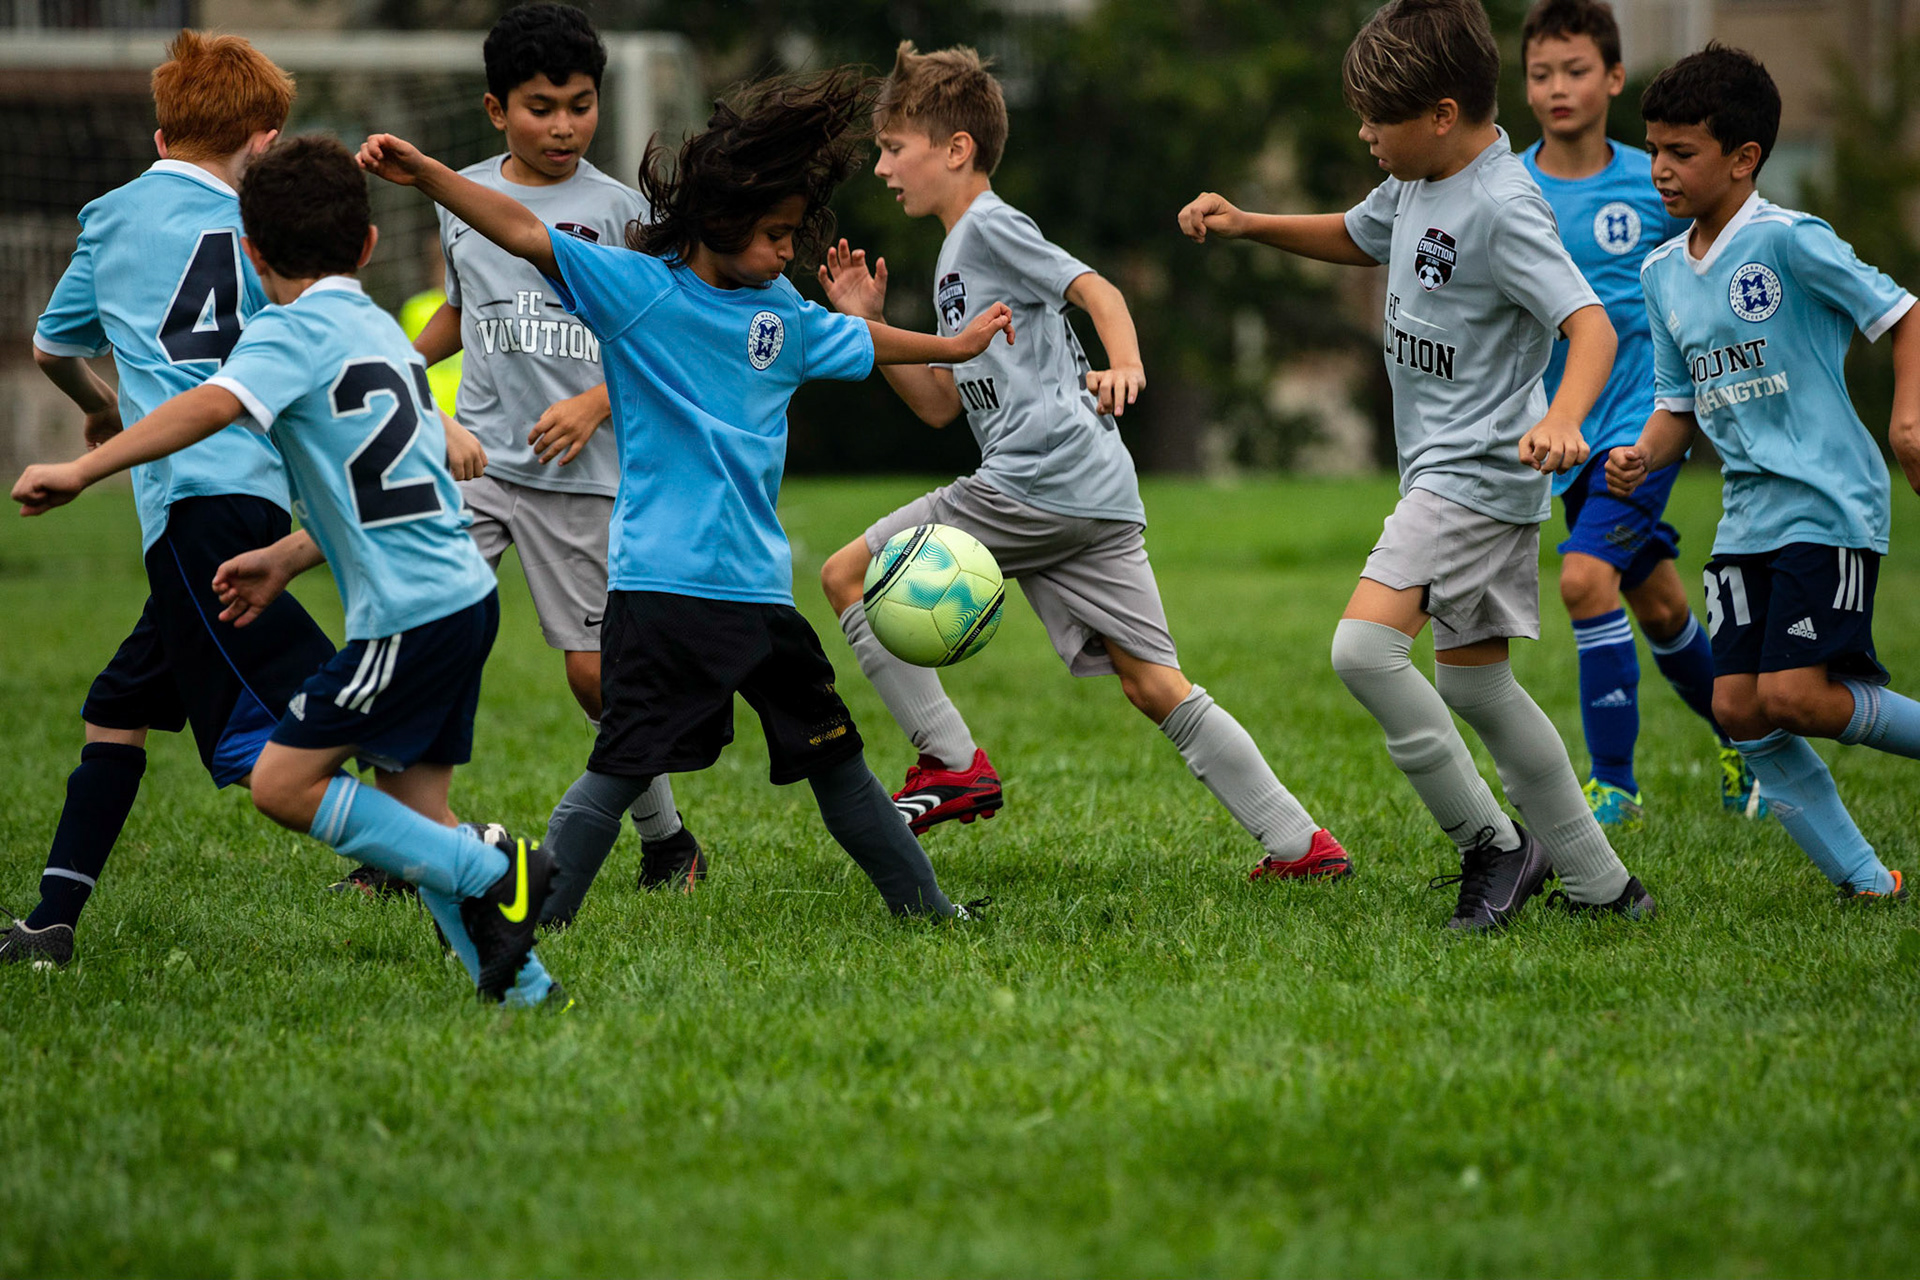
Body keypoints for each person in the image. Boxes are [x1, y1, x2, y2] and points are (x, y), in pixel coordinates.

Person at [356, 69, 1007, 926]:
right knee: (619, 768)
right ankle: (529, 918)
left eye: (792, 234)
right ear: (720, 221)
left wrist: (952, 346)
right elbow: (523, 232)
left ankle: (929, 912)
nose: (786, 252)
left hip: (760, 597)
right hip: (663, 593)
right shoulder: (639, 292)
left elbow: (853, 333)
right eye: (774, 234)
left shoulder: (779, 308)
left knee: (839, 761)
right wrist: (432, 173)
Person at [13, 136, 567, 1005]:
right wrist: (284, 554)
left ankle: (494, 863)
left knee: (281, 782)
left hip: (407, 618)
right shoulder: (381, 328)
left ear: (253, 254)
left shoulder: (287, 332)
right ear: (370, 247)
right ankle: (526, 991)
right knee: (411, 816)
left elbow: (210, 404)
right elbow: (382, 491)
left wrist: (86, 467)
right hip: (463, 599)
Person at [815, 43, 1352, 882]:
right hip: (1093, 491)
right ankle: (1302, 847)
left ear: (956, 148)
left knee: (848, 574)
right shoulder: (956, 253)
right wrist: (871, 328)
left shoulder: (990, 225)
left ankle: (950, 761)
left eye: (894, 147)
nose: (882, 167)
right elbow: (939, 405)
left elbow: (1099, 291)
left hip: (1034, 481)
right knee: (1152, 681)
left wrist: (1126, 362)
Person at [1179, 0, 1656, 928]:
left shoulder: (1504, 206)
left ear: (1441, 114)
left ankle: (1496, 846)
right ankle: (1605, 886)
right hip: (1453, 474)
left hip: (1473, 475)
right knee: (1476, 684)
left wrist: (1565, 418)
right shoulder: (1419, 179)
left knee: (1361, 651)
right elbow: (1363, 236)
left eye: (1375, 120)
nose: (1364, 135)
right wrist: (1249, 223)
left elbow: (1589, 325)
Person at [337, 2, 705, 900]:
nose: (565, 124)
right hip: (482, 466)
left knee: (593, 677)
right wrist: (399, 362)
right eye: (542, 106)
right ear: (497, 108)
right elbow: (464, 314)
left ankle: (668, 841)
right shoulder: (465, 203)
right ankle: (402, 847)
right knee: (419, 633)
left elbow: (669, 342)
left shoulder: (622, 214)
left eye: (580, 103)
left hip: (583, 479)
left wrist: (592, 402)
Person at [0, 32, 338, 969]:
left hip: (191, 503)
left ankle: (461, 854)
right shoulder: (273, 232)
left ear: (160, 137)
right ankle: (52, 924)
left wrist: (104, 412)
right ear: (265, 141)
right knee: (119, 702)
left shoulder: (109, 215)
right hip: (255, 495)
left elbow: (48, 345)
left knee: (270, 739)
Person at [1609, 44, 1920, 902]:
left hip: (1828, 504)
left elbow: (1903, 313)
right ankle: (1869, 884)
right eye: (1654, 150)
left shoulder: (1788, 241)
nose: (1660, 170)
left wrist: (1906, 418)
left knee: (1798, 696)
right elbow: (1677, 408)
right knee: (1740, 709)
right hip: (1746, 520)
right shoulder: (1662, 274)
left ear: (1743, 159)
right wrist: (1642, 452)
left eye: (1682, 153)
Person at [1519, 0, 1759, 829]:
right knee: (1658, 606)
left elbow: (1718, 252)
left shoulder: (1652, 176)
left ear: (1614, 78)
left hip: (1642, 425)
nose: (1558, 88)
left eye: (1576, 70)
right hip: (1564, 433)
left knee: (1585, 580)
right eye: (1541, 73)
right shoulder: (1513, 186)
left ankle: (1613, 785)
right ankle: (1746, 736)